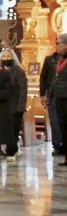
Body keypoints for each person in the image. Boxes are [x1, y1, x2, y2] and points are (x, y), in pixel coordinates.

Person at [1, 48, 27, 161]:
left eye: (9, 56)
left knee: (13, 130)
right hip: (2, 106)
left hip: (15, 106)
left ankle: (11, 151)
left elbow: (23, 90)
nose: (7, 58)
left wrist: (20, 107)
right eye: (4, 56)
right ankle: (13, 150)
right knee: (5, 130)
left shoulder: (19, 71)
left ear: (13, 58)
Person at [41, 40, 64, 156]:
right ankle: (57, 145)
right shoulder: (49, 59)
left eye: (59, 43)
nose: (57, 45)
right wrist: (42, 94)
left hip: (64, 95)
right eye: (56, 43)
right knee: (55, 121)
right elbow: (44, 77)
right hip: (53, 95)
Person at [49, 33, 67, 166]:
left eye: (58, 43)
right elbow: (55, 80)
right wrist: (50, 95)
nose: (56, 46)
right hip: (59, 98)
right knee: (63, 127)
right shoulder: (60, 60)